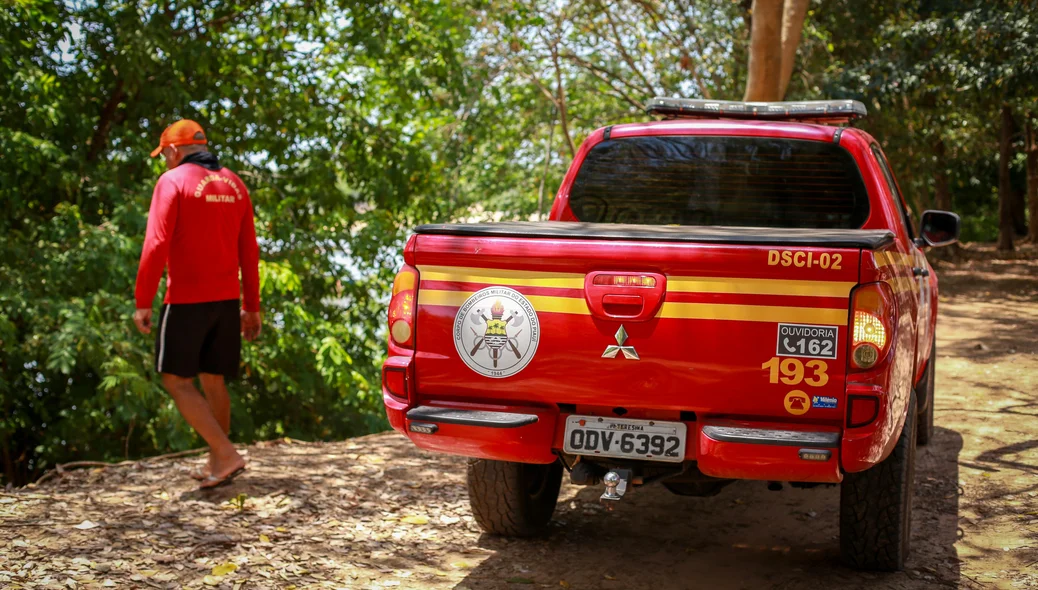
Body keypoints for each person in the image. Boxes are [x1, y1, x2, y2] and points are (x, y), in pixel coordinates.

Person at [132, 119, 261, 489]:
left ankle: (226, 454)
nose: (165, 162)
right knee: (213, 379)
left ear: (173, 150)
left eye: (164, 155)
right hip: (225, 301)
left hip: (187, 299)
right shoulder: (235, 183)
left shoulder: (171, 181)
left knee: (175, 379)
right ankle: (217, 463)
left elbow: (156, 244)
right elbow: (248, 252)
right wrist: (251, 306)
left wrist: (144, 301)